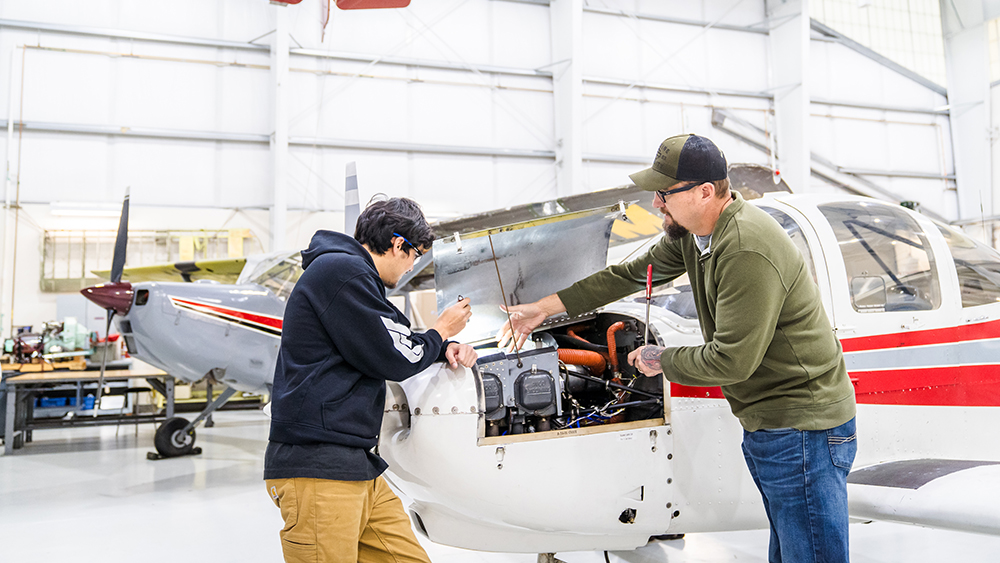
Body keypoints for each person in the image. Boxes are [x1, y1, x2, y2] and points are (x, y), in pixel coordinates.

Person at [496, 134, 857, 563]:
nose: (655, 203)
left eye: (664, 193)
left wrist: (661, 360)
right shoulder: (694, 235)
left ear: (704, 192)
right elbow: (627, 275)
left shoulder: (745, 247)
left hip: (803, 427)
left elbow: (732, 360)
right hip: (772, 424)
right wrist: (543, 308)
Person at [265, 197, 477, 563]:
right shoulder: (341, 271)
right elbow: (394, 356)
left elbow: (395, 338)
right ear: (398, 244)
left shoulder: (349, 275)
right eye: (415, 255)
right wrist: (441, 329)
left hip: (357, 465)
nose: (411, 266)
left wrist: (442, 347)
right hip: (320, 467)